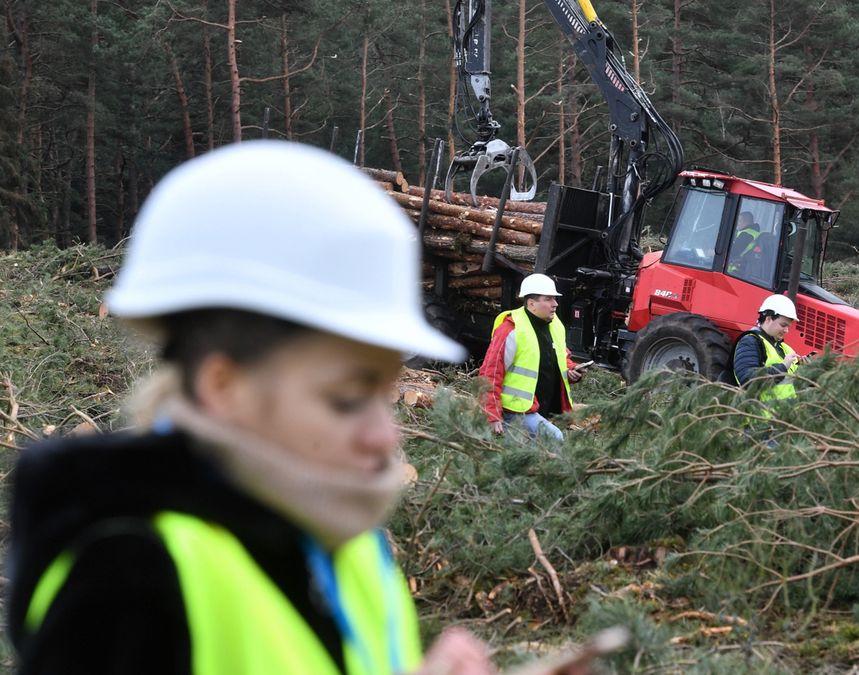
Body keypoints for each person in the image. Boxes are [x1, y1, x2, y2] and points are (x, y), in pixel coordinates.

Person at [3, 141, 496, 675]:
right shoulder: (131, 580)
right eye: (347, 399)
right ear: (224, 387)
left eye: (386, 395)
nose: (385, 436)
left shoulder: (344, 542)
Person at [481, 273, 584, 441]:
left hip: (543, 408)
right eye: (549, 299)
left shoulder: (555, 325)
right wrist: (491, 413)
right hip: (515, 411)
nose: (555, 304)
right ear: (531, 303)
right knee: (554, 438)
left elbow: (560, 356)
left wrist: (571, 369)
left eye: (555, 299)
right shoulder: (511, 329)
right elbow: (490, 373)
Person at [731, 294, 802, 401]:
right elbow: (748, 380)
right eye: (783, 325)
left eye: (788, 326)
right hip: (759, 415)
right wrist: (782, 367)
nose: (786, 330)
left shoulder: (785, 348)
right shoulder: (750, 342)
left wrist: (805, 368)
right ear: (768, 319)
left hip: (782, 415)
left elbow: (791, 383)